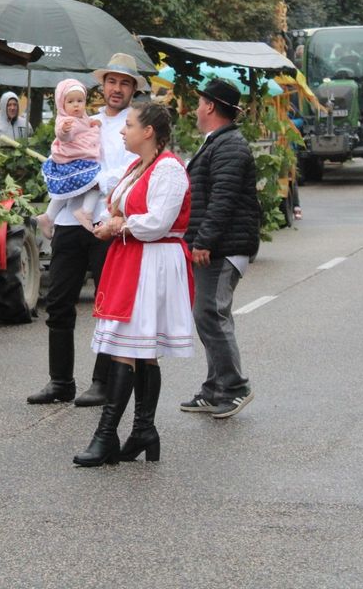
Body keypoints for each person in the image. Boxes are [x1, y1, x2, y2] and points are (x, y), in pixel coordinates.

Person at [74, 102, 194, 467]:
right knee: (139, 348)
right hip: (134, 258)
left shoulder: (169, 169)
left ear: (149, 132)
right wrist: (107, 220)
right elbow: (123, 209)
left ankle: (107, 435)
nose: (122, 131)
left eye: (128, 125)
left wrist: (119, 226)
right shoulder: (136, 168)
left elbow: (158, 221)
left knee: (127, 346)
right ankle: (143, 430)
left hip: (154, 259)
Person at [27, 53, 142, 408]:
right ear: (102, 85)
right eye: (111, 81)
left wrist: (92, 178)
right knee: (59, 301)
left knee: (107, 304)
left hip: (107, 221)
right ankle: (60, 380)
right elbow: (59, 156)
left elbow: (132, 171)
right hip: (68, 222)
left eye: (124, 83)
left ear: (133, 89)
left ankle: (102, 381)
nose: (116, 89)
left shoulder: (136, 124)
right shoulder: (84, 119)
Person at [180, 79, 261, 419]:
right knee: (209, 316)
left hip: (222, 247)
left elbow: (222, 201)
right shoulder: (219, 142)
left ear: (211, 106)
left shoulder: (229, 146)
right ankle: (214, 389)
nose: (196, 109)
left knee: (210, 314)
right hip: (218, 245)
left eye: (199, 102)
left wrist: (204, 241)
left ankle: (234, 386)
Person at [36, 79, 102, 237]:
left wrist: (92, 122)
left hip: (76, 160)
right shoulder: (66, 121)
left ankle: (48, 216)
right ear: (61, 104)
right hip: (73, 161)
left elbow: (84, 125)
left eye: (80, 101)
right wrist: (64, 131)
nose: (76, 105)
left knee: (66, 191)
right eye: (70, 101)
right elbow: (65, 135)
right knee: (97, 182)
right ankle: (85, 212)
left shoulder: (82, 118)